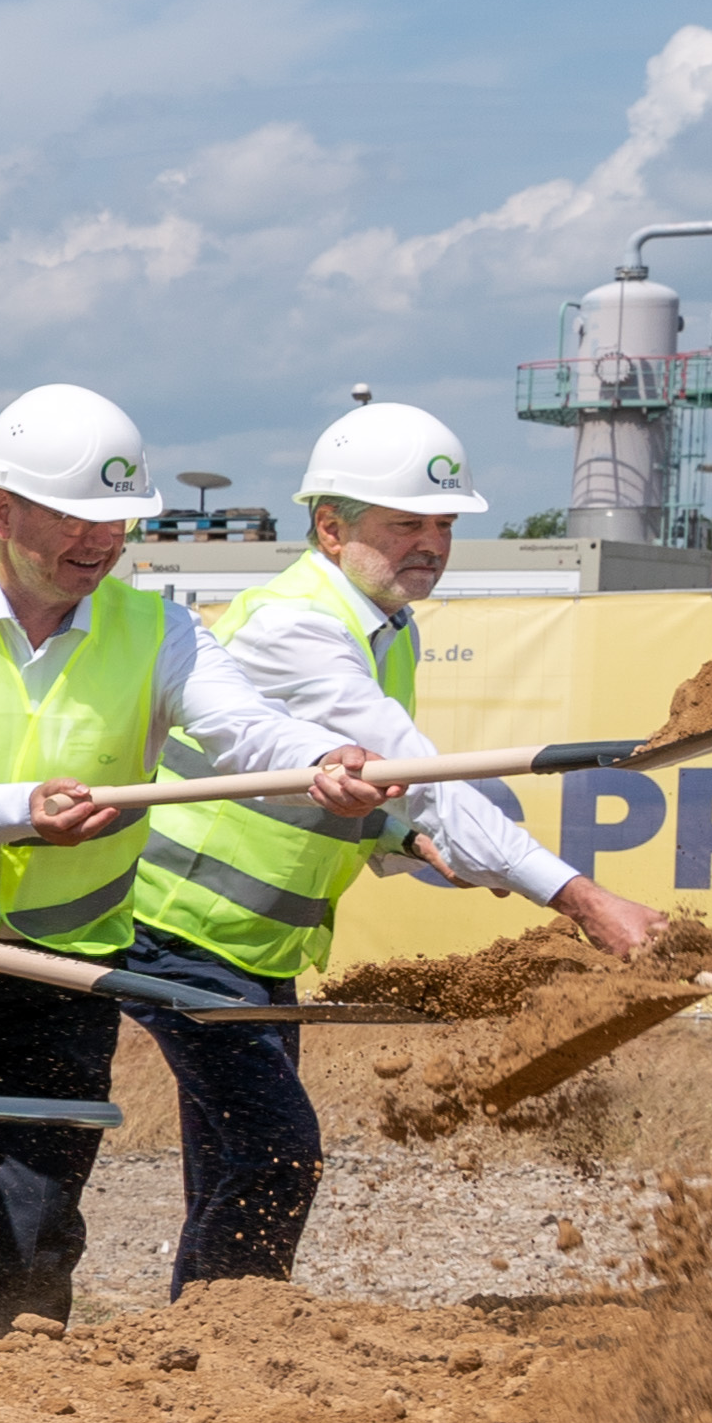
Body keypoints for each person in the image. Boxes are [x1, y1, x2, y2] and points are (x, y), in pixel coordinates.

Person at [0, 386, 380, 1344]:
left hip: (58, 972)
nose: (99, 542)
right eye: (74, 519)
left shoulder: (156, 628)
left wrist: (312, 759)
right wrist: (17, 814)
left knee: (36, 1232)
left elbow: (239, 722)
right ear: (1, 511)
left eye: (118, 522)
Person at [116, 398, 673, 1282]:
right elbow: (416, 773)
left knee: (232, 1159)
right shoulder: (295, 626)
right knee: (276, 1153)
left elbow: (360, 789)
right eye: (405, 522)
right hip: (175, 932)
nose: (431, 543)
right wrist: (580, 898)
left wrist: (406, 843)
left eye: (444, 525)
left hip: (252, 947)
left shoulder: (386, 629)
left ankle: (202, 1344)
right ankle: (222, 1342)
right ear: (329, 528)